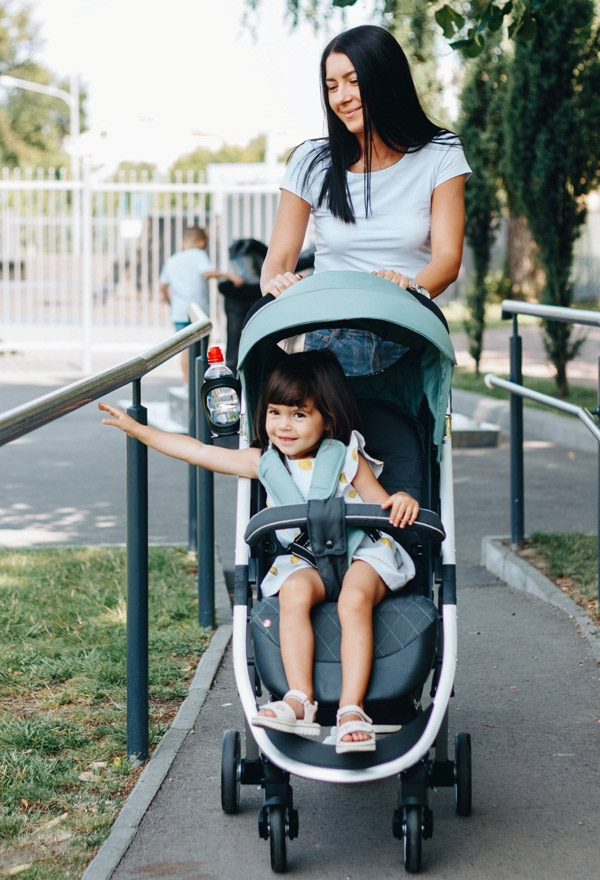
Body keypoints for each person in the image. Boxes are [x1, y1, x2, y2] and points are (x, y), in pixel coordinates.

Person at [98, 350, 419, 753]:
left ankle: (352, 710)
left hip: (362, 552)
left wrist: (403, 499)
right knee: (294, 593)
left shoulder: (346, 457)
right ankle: (300, 700)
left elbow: (382, 504)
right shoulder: (262, 462)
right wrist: (140, 430)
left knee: (353, 600)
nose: (283, 426)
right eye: (274, 413)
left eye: (299, 415)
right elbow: (198, 452)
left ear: (328, 419)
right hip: (306, 560)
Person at [260, 24, 471, 375]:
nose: (341, 96)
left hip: (400, 325)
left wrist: (410, 290)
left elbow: (447, 259)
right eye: (332, 86)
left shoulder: (441, 153)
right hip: (323, 330)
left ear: (386, 79)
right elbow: (279, 258)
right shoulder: (311, 160)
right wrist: (275, 282)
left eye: (354, 81)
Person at [159, 226, 243, 383]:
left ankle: (187, 383)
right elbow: (207, 272)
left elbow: (163, 285)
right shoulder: (199, 255)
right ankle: (198, 381)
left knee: (185, 348)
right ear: (202, 242)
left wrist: (171, 302)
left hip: (179, 311)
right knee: (201, 348)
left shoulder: (172, 260)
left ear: (183, 242)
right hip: (197, 311)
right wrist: (228, 275)